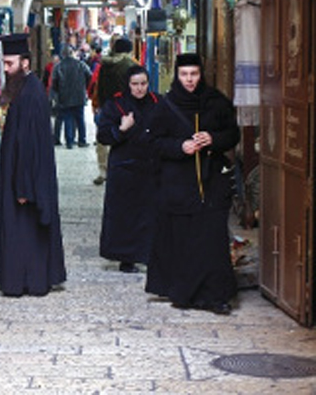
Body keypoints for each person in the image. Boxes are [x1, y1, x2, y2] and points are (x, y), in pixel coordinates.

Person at [146, 53, 240, 315]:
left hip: (211, 184)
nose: (189, 80)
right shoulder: (166, 106)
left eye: (194, 74)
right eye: (184, 74)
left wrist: (213, 138)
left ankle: (215, 295)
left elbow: (233, 134)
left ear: (201, 74)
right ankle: (185, 292)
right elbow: (153, 143)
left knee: (212, 241)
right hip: (178, 186)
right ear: (177, 75)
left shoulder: (216, 102)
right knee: (185, 240)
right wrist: (180, 146)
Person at [0, 33, 66, 297]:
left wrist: (23, 187)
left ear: (25, 63)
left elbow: (30, 146)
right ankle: (27, 279)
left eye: (10, 64)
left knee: (25, 232)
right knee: (24, 232)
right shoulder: (26, 89)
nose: (7, 69)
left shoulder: (31, 94)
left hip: (25, 181)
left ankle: (27, 281)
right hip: (22, 178)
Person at [97, 65, 161, 273]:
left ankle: (150, 255)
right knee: (124, 215)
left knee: (150, 214)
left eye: (143, 84)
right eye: (135, 84)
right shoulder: (116, 105)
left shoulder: (158, 102)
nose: (140, 89)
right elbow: (103, 136)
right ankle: (126, 257)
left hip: (151, 167)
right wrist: (122, 129)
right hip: (124, 169)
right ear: (128, 84)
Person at [93, 37, 138, 185]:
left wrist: (98, 104)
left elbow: (99, 86)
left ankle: (103, 171)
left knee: (103, 140)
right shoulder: (130, 65)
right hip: (125, 106)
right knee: (125, 137)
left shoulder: (104, 64)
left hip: (107, 105)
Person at [51, 45, 92, 148]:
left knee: (68, 118)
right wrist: (84, 87)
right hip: (79, 95)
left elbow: (54, 82)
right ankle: (82, 140)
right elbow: (89, 76)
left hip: (64, 96)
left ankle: (69, 141)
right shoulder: (81, 64)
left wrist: (56, 94)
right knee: (80, 119)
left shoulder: (58, 66)